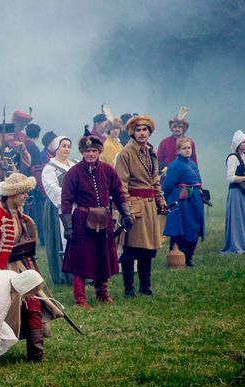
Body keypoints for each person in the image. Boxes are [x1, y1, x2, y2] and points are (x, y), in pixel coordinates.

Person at [0, 173, 59, 362]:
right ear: (10, 195)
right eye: (21, 193)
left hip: (18, 266)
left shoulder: (17, 211)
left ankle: (36, 354)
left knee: (34, 303)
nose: (25, 196)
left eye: (26, 192)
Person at [60, 136, 132, 308]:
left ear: (99, 152)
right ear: (82, 152)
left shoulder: (108, 170)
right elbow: (66, 200)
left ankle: (102, 293)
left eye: (94, 151)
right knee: (81, 260)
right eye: (87, 151)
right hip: (81, 220)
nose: (90, 154)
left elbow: (119, 193)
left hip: (104, 219)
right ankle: (80, 298)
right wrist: (68, 226)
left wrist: (126, 213)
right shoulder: (74, 173)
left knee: (103, 256)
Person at [115, 115, 167, 297]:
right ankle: (129, 289)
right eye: (138, 130)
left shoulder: (151, 152)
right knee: (130, 250)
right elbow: (121, 184)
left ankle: (146, 286)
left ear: (149, 132)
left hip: (150, 206)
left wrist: (161, 201)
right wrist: (126, 209)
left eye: (145, 129)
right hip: (134, 207)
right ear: (132, 132)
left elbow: (155, 181)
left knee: (148, 249)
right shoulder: (125, 154)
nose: (142, 133)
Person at [162, 138, 205, 266]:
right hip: (182, 201)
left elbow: (198, 179)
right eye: (184, 148)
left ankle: (189, 256)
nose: (187, 150)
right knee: (182, 228)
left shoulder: (192, 163)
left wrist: (200, 190)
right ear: (178, 150)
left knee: (194, 228)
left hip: (194, 200)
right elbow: (167, 186)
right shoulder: (175, 166)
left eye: (189, 148)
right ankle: (178, 258)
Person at [41, 136, 74, 285]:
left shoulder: (74, 165)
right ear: (56, 148)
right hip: (58, 209)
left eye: (68, 146)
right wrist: (69, 198)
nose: (67, 149)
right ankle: (64, 275)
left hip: (77, 206)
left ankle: (81, 273)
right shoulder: (50, 168)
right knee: (62, 240)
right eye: (63, 146)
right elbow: (52, 188)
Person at [222, 130, 245, 254]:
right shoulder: (232, 158)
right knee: (238, 218)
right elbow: (230, 178)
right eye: (244, 142)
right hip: (236, 192)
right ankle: (238, 245)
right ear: (238, 143)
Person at [157, 107, 198, 175]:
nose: (177, 129)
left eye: (179, 127)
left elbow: (194, 160)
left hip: (185, 176)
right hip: (168, 175)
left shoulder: (190, 142)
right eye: (175, 127)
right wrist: (162, 170)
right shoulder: (164, 142)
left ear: (184, 129)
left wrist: (195, 176)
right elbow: (158, 160)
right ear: (171, 128)